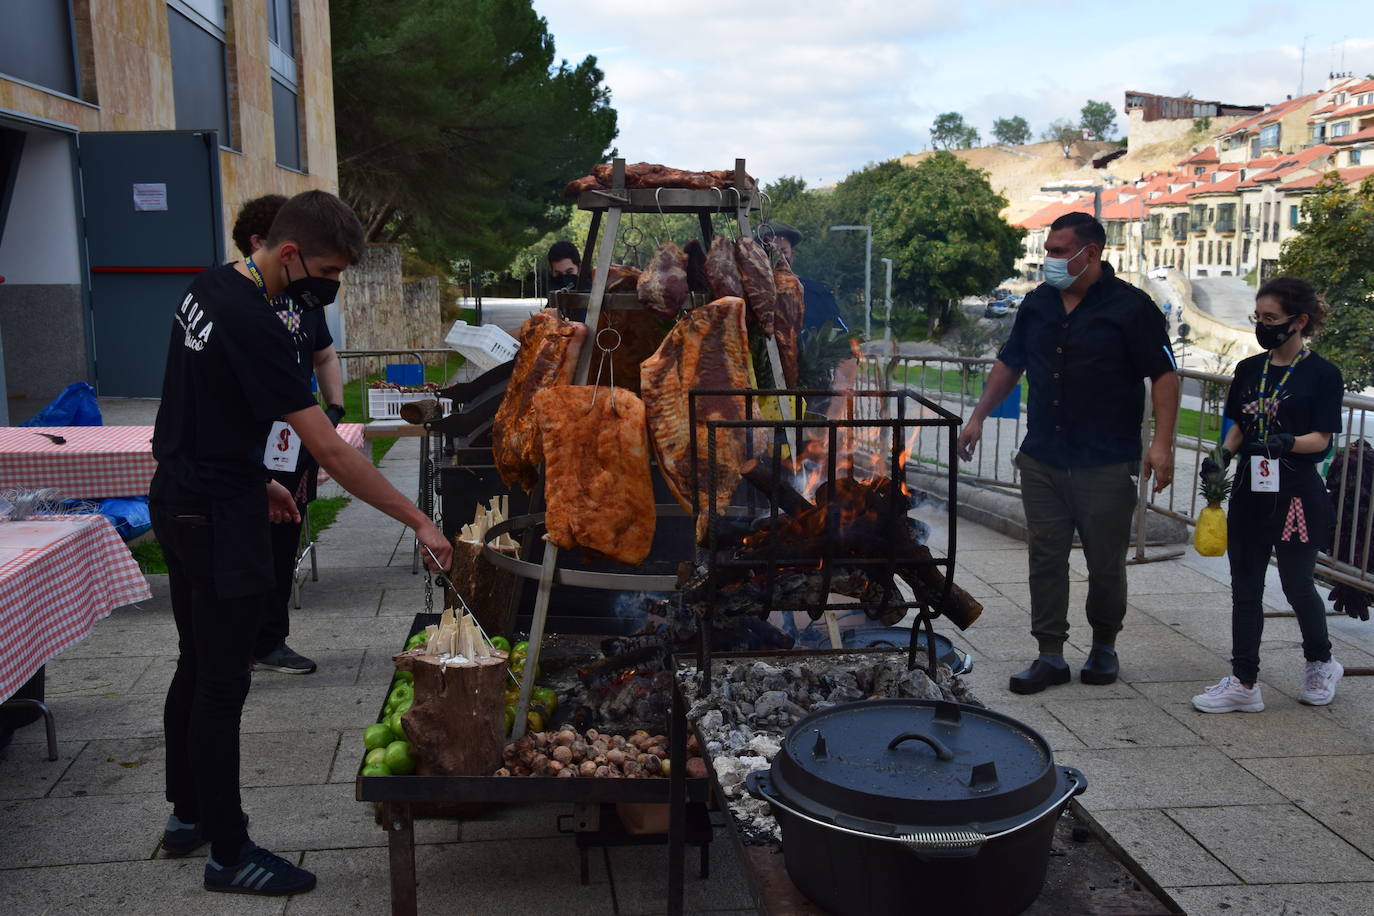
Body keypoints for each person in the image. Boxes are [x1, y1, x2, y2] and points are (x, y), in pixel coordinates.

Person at [150, 190, 452, 896]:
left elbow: (199, 403)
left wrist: (257, 479)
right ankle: (230, 851)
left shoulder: (208, 286)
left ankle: (187, 814)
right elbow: (335, 453)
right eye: (326, 270)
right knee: (221, 684)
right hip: (217, 517)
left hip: (188, 492)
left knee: (194, 663)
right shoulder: (254, 318)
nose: (330, 285)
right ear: (288, 253)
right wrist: (418, 520)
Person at [956, 212, 1179, 694]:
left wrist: (1161, 445)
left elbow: (1163, 374)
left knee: (1105, 563)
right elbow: (1011, 361)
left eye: (1059, 252)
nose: (1049, 261)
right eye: (1049, 250)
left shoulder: (1132, 308)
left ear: (1090, 253)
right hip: (1043, 455)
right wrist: (977, 417)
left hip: (1105, 458)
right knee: (1046, 558)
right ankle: (1050, 654)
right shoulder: (1038, 304)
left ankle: (1104, 646)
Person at [1192, 277, 1344, 713]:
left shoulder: (1323, 374)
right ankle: (1244, 681)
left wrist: (1287, 442)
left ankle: (1321, 661)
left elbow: (1322, 438)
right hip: (1250, 493)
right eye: (1258, 318)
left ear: (1299, 321)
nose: (1263, 326)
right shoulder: (1248, 370)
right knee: (1245, 589)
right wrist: (1222, 454)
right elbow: (1239, 423)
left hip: (1297, 495)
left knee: (1297, 585)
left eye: (1271, 319)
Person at [230, 194, 344, 676]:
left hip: (293, 441)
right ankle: (237, 643)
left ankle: (269, 641)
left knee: (283, 539)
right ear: (266, 243)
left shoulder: (303, 299)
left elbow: (324, 355)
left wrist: (334, 406)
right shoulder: (238, 306)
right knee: (243, 547)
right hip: (244, 449)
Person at [755, 220, 848, 332]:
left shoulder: (816, 294)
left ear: (792, 255)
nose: (778, 257)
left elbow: (839, 333)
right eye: (769, 251)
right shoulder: (750, 296)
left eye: (783, 251)